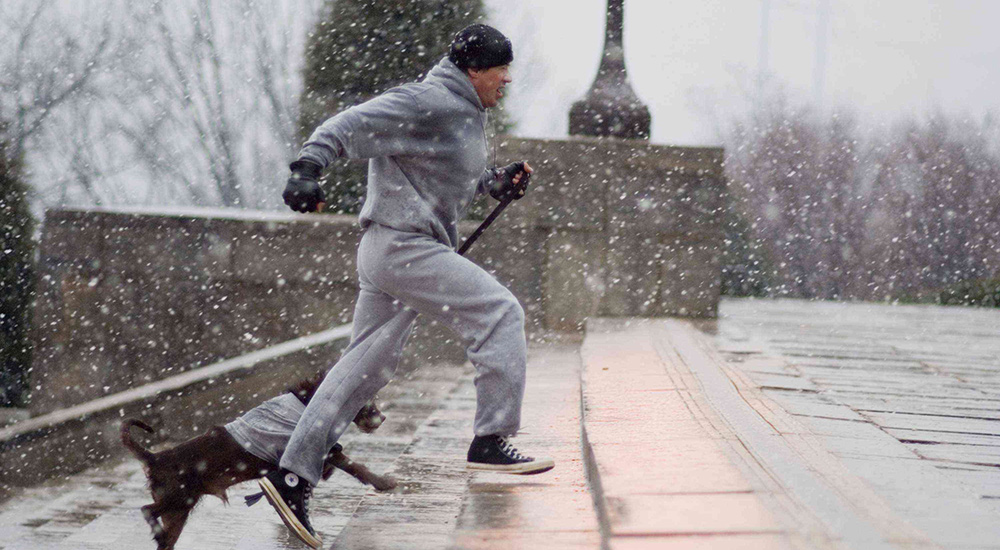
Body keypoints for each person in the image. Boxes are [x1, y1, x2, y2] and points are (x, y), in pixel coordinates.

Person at [240, 24, 554, 549]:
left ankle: (291, 475)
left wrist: (493, 182)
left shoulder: (464, 112)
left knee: (366, 368)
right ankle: (491, 439)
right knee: (500, 313)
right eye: (502, 69)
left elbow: (444, 174)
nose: (508, 79)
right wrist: (307, 168)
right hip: (403, 247)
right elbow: (348, 123)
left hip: (398, 249)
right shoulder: (426, 100)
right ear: (474, 69)